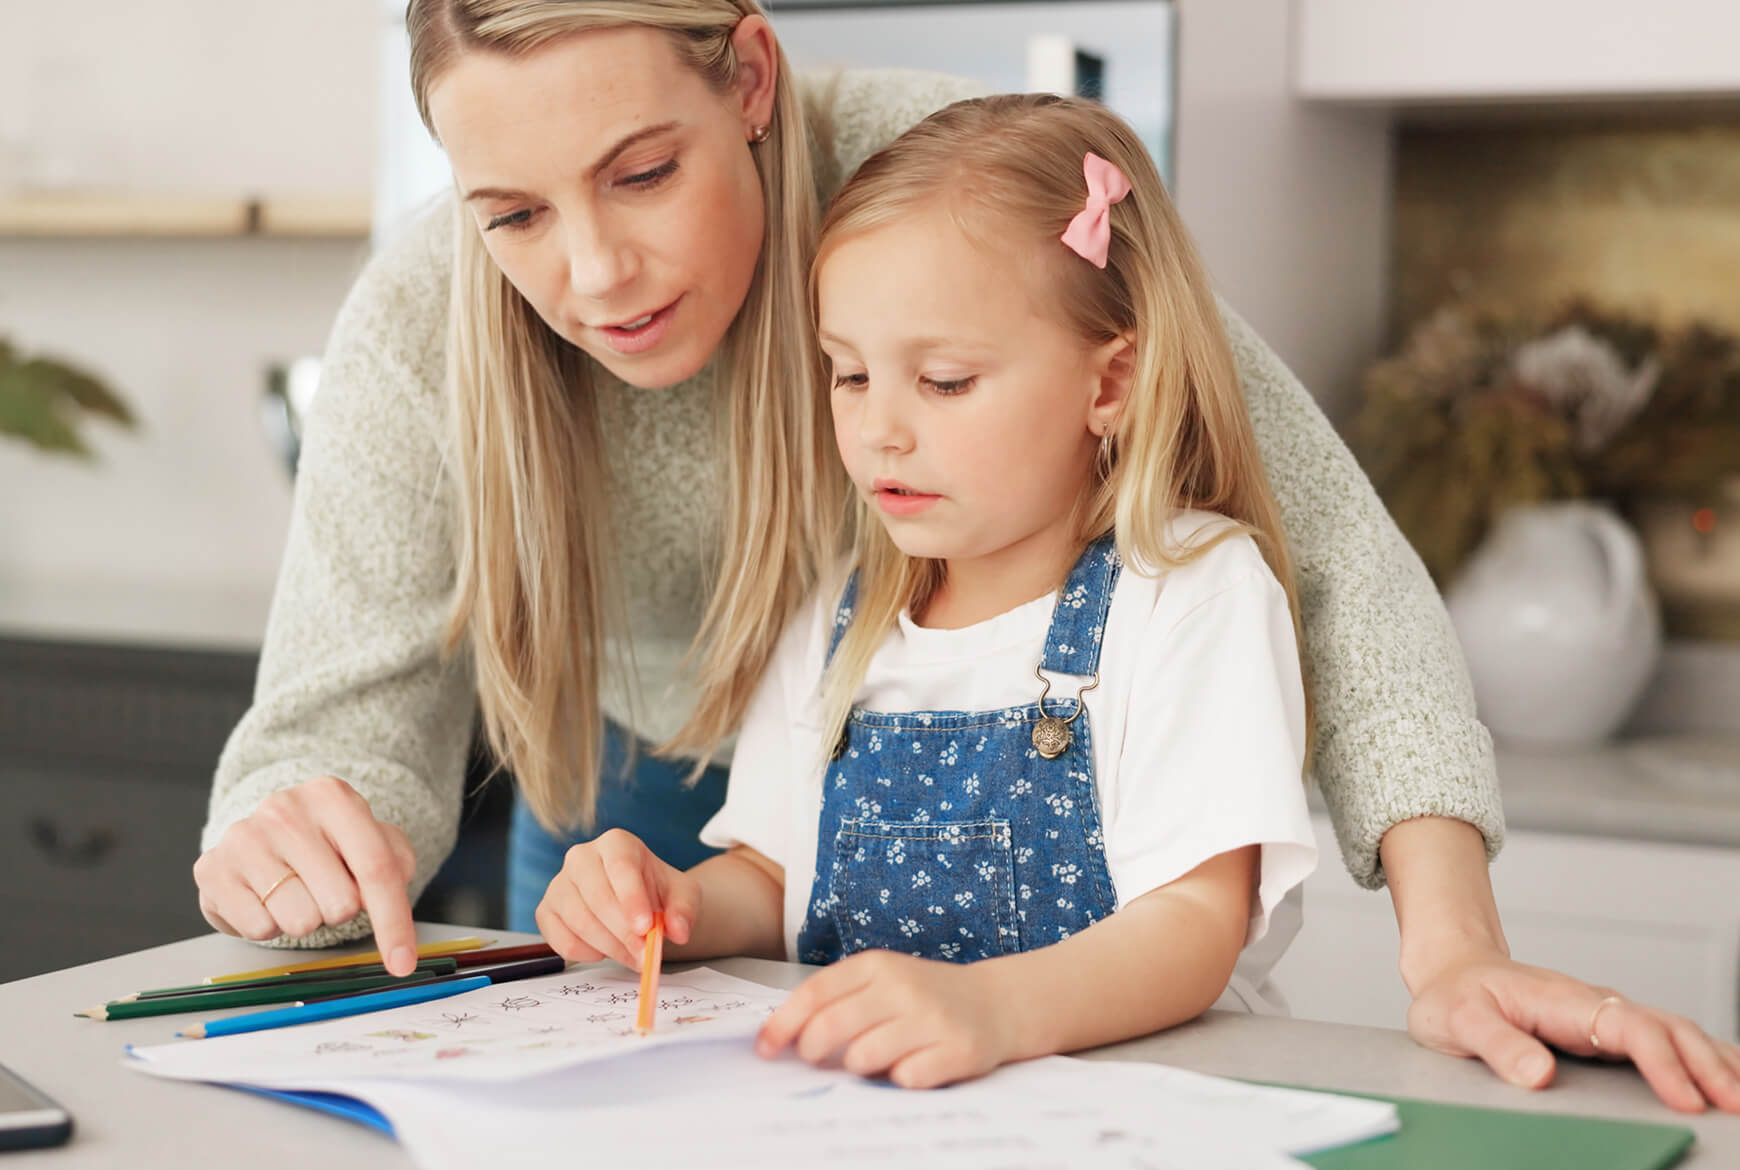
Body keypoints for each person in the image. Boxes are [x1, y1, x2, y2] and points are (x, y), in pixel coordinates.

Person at [191, 0, 1740, 1111]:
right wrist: (294, 844)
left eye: (644, 172)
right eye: (513, 215)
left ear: (749, 71)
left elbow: (1323, 554)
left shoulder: (943, 198)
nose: (592, 273)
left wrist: (1451, 943)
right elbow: (340, 737)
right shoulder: (423, 324)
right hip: (681, 812)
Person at [538, 93, 1320, 1087]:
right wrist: (669, 906)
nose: (879, 433)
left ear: (1109, 382)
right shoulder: (841, 614)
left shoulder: (1191, 592)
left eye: (944, 381)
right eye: (850, 376)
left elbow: (1195, 924)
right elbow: (776, 877)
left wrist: (989, 1008)